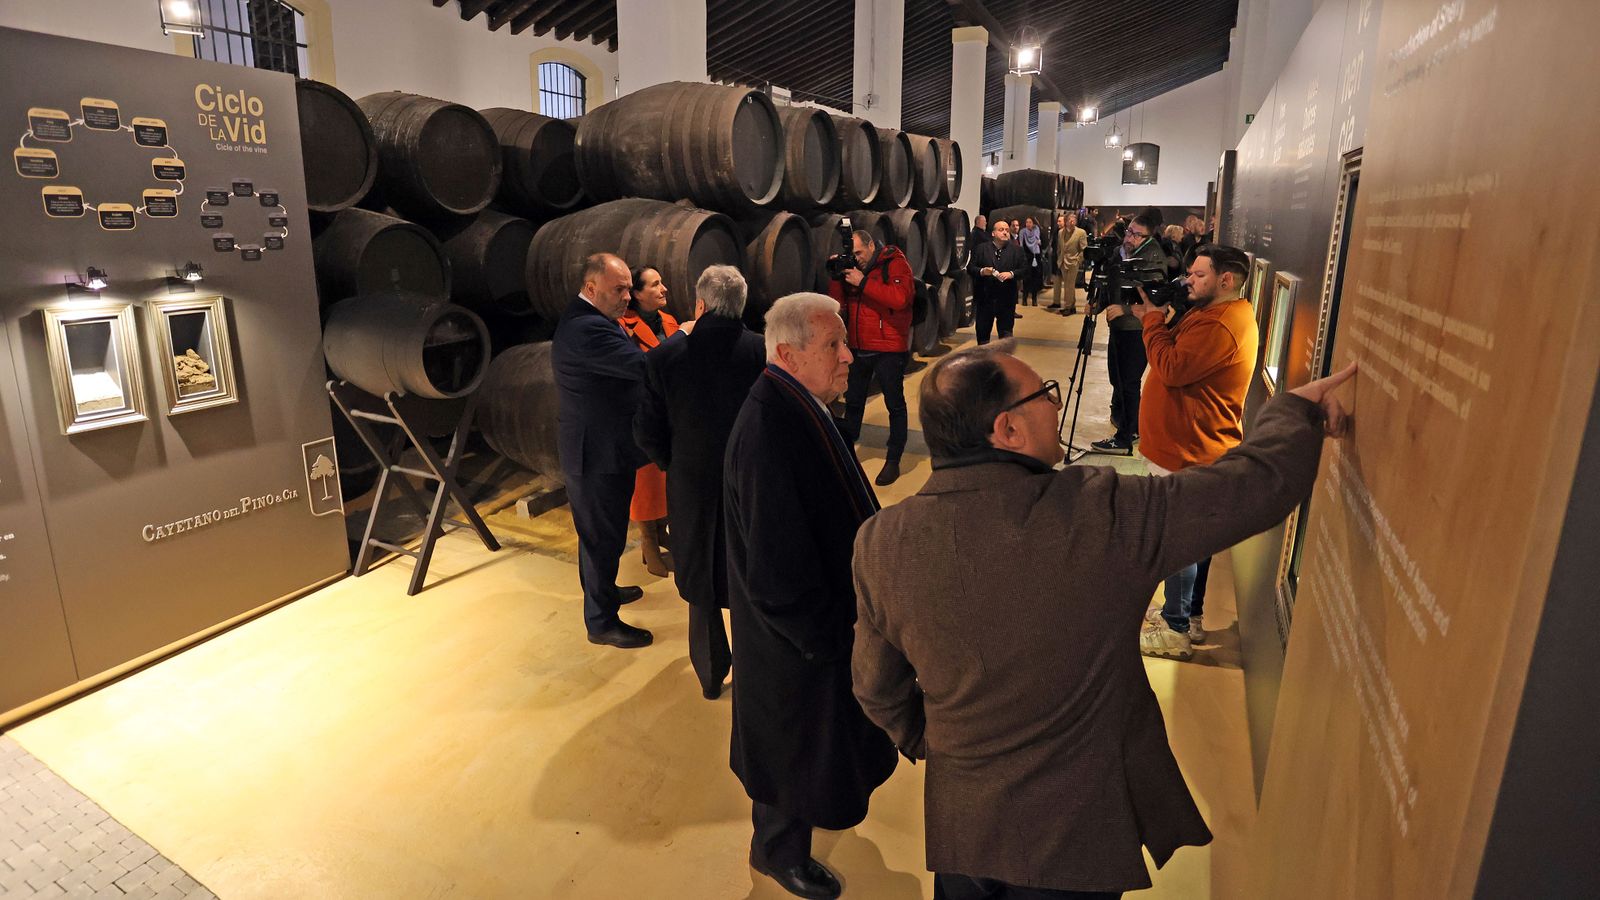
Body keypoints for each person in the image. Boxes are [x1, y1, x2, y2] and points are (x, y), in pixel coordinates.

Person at [851, 343, 1357, 900]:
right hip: (1075, 837)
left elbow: (875, 688)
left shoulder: (880, 541)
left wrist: (935, 742)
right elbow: (1254, 489)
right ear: (1008, 430)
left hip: (965, 828)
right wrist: (1292, 411)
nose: (1054, 402)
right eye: (1044, 394)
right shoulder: (1101, 511)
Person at [724, 293, 899, 900]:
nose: (850, 357)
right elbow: (776, 579)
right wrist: (831, 642)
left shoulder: (796, 402)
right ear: (787, 353)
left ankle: (788, 833)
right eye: (834, 346)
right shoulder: (771, 429)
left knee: (805, 750)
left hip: (812, 635)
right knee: (789, 750)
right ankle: (777, 852)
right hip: (793, 646)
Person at [1116, 245, 1260, 660]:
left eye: (1198, 275)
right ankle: (1188, 616)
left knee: (1176, 540)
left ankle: (1176, 630)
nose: (1188, 281)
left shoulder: (1223, 324)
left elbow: (1172, 368)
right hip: (1184, 444)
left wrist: (1152, 322)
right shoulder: (1212, 314)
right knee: (1192, 540)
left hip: (1189, 448)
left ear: (1225, 279)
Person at [633, 265, 764, 699]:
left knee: (701, 584)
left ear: (701, 304)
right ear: (741, 305)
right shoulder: (763, 353)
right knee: (750, 578)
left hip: (691, 486)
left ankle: (710, 675)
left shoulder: (664, 358)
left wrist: (675, 463)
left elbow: (646, 430)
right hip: (752, 484)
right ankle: (754, 673)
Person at [551, 253, 651, 649]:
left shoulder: (594, 319)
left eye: (629, 287)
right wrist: (684, 339)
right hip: (595, 453)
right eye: (619, 289)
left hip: (606, 447)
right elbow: (641, 367)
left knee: (602, 533)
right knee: (600, 537)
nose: (628, 295)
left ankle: (603, 592)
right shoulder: (586, 328)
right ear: (592, 288)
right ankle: (601, 622)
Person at [829, 229, 917, 487]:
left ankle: (894, 458)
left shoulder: (896, 263)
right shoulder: (854, 268)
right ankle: (847, 449)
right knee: (853, 401)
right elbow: (837, 305)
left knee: (895, 404)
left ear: (870, 245)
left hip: (889, 347)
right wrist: (838, 275)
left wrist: (863, 281)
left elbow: (900, 299)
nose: (856, 258)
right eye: (851, 254)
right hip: (859, 346)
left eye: (859, 253)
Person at [619, 265, 680, 578]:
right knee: (646, 482)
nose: (664, 289)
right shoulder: (623, 327)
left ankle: (662, 531)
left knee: (666, 476)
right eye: (655, 284)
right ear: (637, 294)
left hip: (669, 410)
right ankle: (648, 544)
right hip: (642, 412)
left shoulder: (670, 322)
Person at [1090, 214, 1165, 455]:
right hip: (1120, 327)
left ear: (1149, 236)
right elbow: (1115, 285)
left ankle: (1125, 438)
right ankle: (1129, 425)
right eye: (1129, 231)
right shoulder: (1122, 252)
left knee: (1129, 382)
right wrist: (1100, 304)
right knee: (1119, 380)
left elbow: (1154, 302)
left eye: (1136, 234)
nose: (1129, 237)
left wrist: (1123, 309)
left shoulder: (1153, 257)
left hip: (1136, 329)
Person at [965, 219, 1026, 345]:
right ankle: (983, 360)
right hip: (985, 298)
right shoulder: (981, 249)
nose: (1005, 232)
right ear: (993, 233)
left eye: (1007, 230)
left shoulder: (1017, 250)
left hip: (1006, 299)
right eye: (1001, 230)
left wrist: (1011, 274)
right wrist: (982, 271)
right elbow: (970, 268)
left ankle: (1004, 360)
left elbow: (1025, 270)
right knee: (983, 334)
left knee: (1006, 335)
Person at [1051, 211, 1087, 315]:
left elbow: (1084, 249)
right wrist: (1059, 258)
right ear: (1066, 221)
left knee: (1069, 286)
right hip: (1062, 262)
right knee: (1068, 285)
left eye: (1074, 220)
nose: (1072, 222)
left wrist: (1078, 260)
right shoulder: (1060, 232)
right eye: (1070, 220)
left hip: (1073, 262)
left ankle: (1068, 307)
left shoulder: (1081, 232)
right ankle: (1072, 306)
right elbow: (1059, 247)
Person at [1018, 216, 1043, 306]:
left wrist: (1039, 242)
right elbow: (1021, 245)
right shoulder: (1022, 232)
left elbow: (1040, 243)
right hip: (1026, 257)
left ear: (1033, 223)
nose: (1028, 224)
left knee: (1035, 278)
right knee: (1026, 279)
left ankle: (1034, 299)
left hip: (1035, 257)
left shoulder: (1037, 231)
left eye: (1030, 222)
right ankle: (1024, 299)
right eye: (1027, 222)